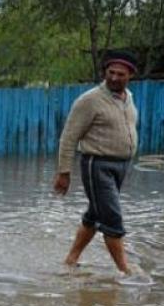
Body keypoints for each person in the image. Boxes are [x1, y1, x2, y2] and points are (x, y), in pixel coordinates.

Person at [53, 50, 139, 274]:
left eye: (120, 74)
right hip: (97, 165)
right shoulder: (89, 100)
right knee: (112, 219)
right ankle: (125, 272)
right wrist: (64, 172)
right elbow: (69, 136)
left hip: (121, 166)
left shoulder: (128, 98)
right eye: (111, 73)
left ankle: (70, 260)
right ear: (105, 72)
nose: (114, 78)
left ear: (130, 75)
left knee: (94, 215)